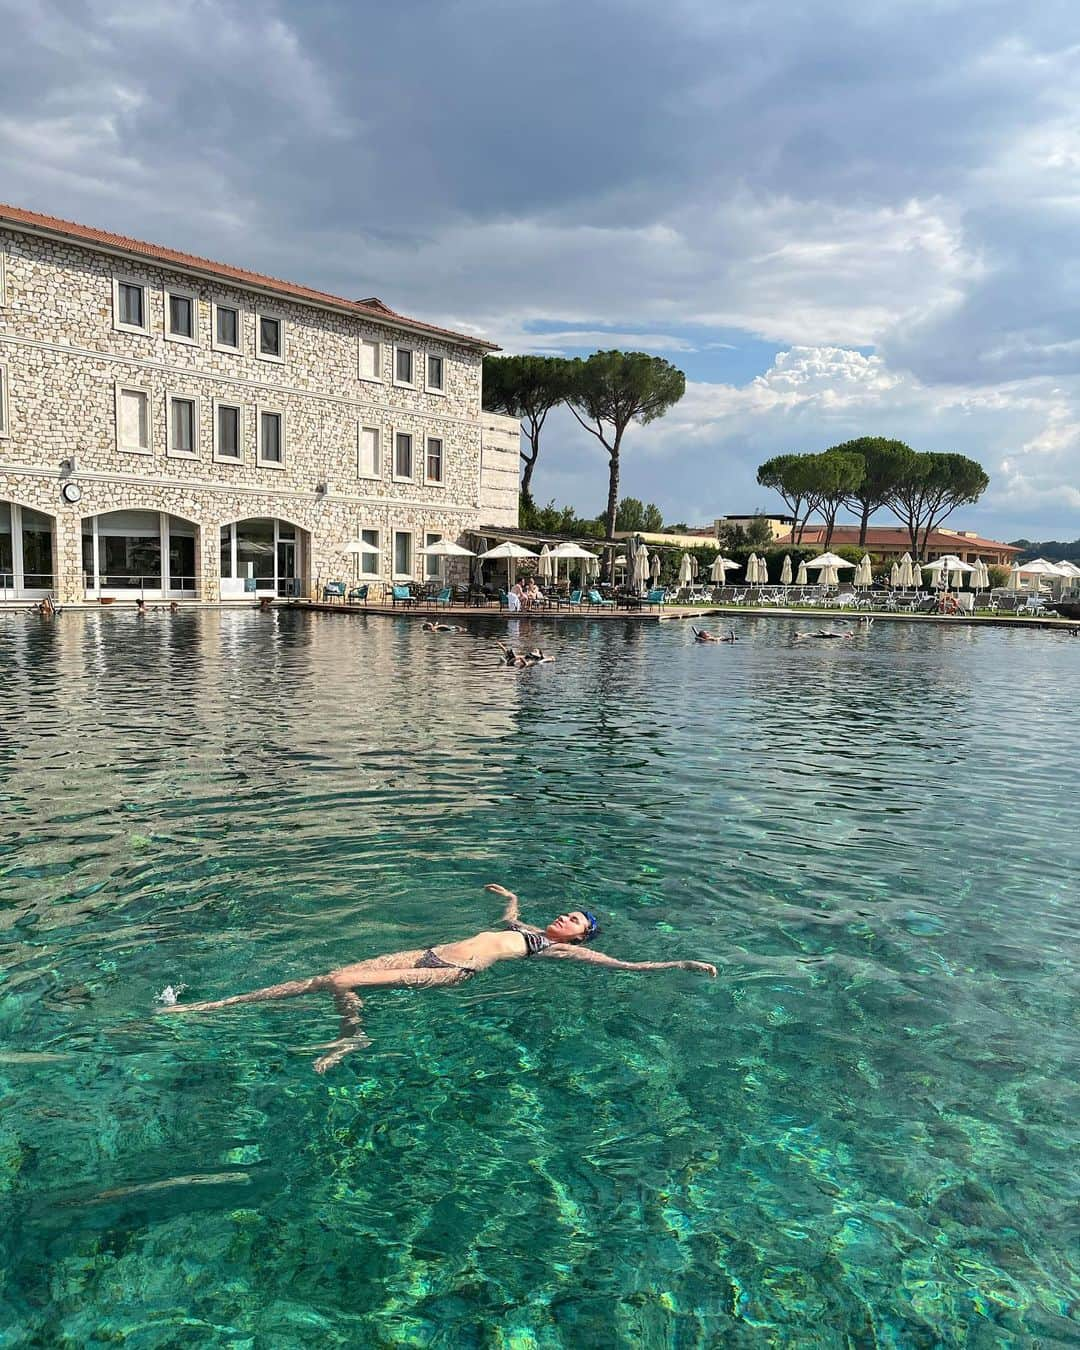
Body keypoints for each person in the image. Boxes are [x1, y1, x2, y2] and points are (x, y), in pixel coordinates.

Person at [158, 882, 717, 1072]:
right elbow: (508, 921)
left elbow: (626, 967)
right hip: (428, 951)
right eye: (568, 911)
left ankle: (351, 1034)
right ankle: (220, 1006)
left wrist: (680, 964)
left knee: (335, 981)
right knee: (329, 976)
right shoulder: (526, 927)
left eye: (577, 921)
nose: (566, 917)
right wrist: (511, 897)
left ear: (580, 938)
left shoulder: (557, 952)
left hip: (452, 971)